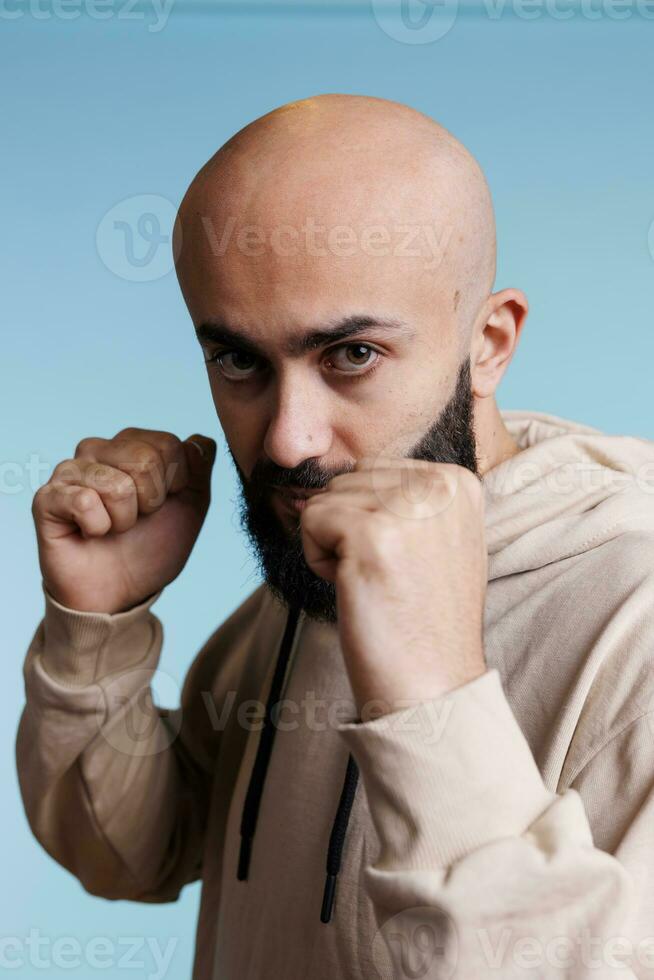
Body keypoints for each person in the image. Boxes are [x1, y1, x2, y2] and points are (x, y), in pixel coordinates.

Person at [16, 94, 654, 979]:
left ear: (489, 344)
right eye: (239, 359)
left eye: (351, 355)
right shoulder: (308, 576)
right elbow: (133, 855)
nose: (288, 440)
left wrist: (434, 698)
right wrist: (98, 629)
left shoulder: (635, 617)